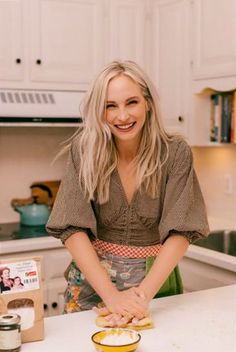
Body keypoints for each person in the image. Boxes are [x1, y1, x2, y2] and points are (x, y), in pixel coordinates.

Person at [47, 60, 209, 324]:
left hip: (154, 288)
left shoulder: (175, 153)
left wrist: (140, 299)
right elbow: (72, 230)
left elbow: (181, 231)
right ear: (99, 111)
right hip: (92, 284)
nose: (122, 116)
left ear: (148, 103)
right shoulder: (84, 151)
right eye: (110, 106)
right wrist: (112, 297)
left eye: (131, 102)